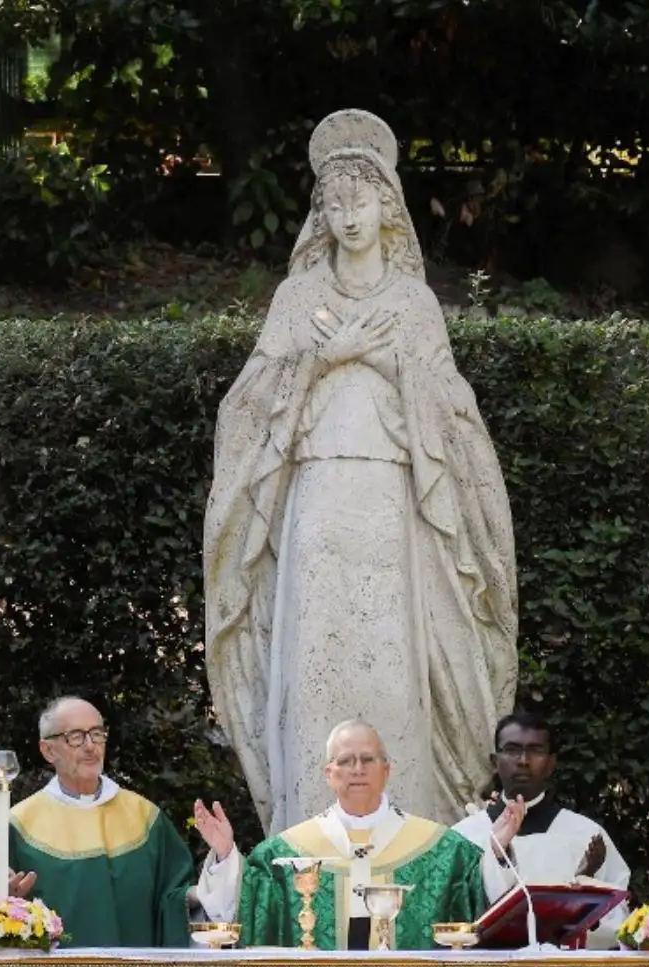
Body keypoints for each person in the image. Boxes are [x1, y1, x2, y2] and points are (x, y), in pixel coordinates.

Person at [203, 107, 517, 833]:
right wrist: (324, 356)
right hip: (313, 495)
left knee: (392, 663)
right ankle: (306, 827)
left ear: (388, 208)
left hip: (392, 497)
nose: (348, 217)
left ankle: (413, 830)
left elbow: (452, 410)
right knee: (314, 658)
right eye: (334, 203)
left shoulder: (412, 301)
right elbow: (248, 405)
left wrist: (378, 357)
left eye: (361, 200)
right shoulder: (297, 298)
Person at [0, 695, 236, 948]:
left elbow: (176, 904)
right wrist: (4, 901)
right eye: (76, 737)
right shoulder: (20, 824)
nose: (91, 746)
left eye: (97, 734)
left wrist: (222, 863)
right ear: (48, 750)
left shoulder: (144, 817)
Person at [196, 720, 485, 948]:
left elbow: (485, 906)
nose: (357, 769)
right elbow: (247, 908)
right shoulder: (283, 855)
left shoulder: (444, 850)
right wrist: (225, 854)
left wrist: (498, 853)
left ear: (387, 770)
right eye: (346, 761)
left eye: (368, 759)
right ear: (329, 773)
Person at [451, 711, 632, 947]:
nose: (523, 760)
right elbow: (454, 913)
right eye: (512, 749)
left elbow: (620, 924)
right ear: (495, 762)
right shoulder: (464, 836)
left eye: (535, 751)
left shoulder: (586, 835)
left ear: (550, 764)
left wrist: (586, 887)